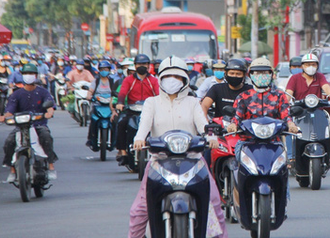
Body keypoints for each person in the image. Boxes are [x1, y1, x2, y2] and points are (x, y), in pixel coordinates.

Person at [128, 56, 226, 238]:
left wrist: (211, 137)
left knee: (214, 204)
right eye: (167, 76)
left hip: (194, 160)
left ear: (184, 79)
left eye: (177, 76)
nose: (172, 80)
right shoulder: (152, 102)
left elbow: (203, 124)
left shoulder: (193, 102)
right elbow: (144, 126)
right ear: (160, 78)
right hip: (160, 160)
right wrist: (139, 139)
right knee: (139, 211)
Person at [0, 63, 58, 182]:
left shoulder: (43, 92)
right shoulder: (16, 94)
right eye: (26, 74)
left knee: (46, 137)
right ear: (22, 76)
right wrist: (4, 117)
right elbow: (9, 111)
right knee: (9, 141)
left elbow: (50, 106)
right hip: (21, 127)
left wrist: (49, 113)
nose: (28, 76)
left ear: (36, 76)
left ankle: (51, 166)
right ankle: (12, 170)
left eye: (31, 73)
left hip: (38, 125)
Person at [285, 53, 330, 169]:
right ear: (302, 66)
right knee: (288, 128)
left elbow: (326, 88)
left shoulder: (320, 77)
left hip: (318, 112)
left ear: (317, 66)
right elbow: (289, 93)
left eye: (313, 64)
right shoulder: (294, 78)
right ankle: (291, 158)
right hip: (299, 113)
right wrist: (285, 102)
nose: (311, 67)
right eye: (308, 64)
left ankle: (329, 158)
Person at [226, 57, 299, 135]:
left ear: (271, 74)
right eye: (257, 73)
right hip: (248, 140)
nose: (261, 76)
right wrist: (233, 124)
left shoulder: (279, 95)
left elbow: (286, 114)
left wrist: (291, 124)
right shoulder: (244, 96)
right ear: (250, 75)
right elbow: (237, 115)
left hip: (273, 139)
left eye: (264, 73)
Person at [114, 54, 159, 163]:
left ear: (148, 65)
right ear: (135, 66)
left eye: (144, 64)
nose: (141, 66)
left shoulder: (153, 80)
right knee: (120, 123)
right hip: (132, 110)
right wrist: (120, 103)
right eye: (139, 64)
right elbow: (123, 92)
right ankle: (123, 151)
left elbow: (158, 94)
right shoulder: (128, 80)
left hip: (149, 111)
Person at [85, 60, 117, 151]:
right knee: (93, 120)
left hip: (110, 106)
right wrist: (89, 95)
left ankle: (115, 142)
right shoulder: (96, 80)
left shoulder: (112, 81)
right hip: (97, 104)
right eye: (102, 69)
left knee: (115, 122)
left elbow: (116, 92)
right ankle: (91, 139)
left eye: (106, 69)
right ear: (99, 70)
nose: (104, 71)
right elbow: (91, 90)